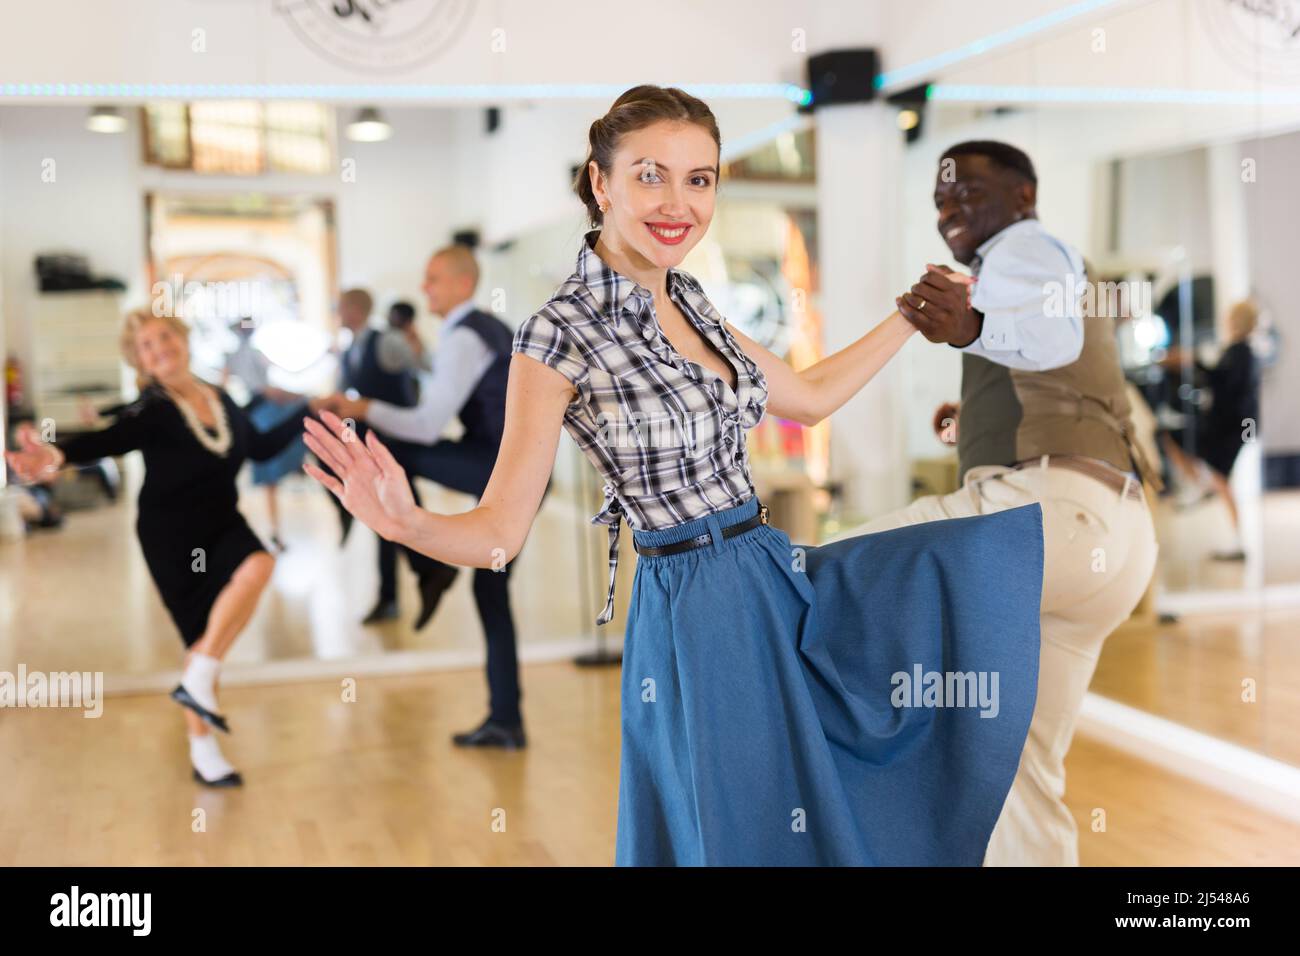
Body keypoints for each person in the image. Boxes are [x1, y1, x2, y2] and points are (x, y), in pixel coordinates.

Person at [302, 86, 1044, 866]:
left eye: (701, 179)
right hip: (693, 603)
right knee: (736, 830)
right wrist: (405, 523)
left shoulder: (691, 298)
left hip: (767, 571)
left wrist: (908, 316)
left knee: (949, 591)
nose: (678, 203)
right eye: (651, 175)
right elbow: (499, 532)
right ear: (602, 183)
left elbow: (812, 397)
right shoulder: (557, 334)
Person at [833, 140, 1161, 867]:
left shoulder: (1022, 248)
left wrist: (976, 329)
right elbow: (1055, 356)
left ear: (1022, 194)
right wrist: (974, 412)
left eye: (968, 193)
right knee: (1022, 774)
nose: (950, 207)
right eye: (941, 200)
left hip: (1053, 518)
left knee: (826, 569)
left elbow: (1044, 329)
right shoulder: (1030, 266)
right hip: (1110, 540)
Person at [5, 309, 312, 788]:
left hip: (223, 522)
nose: (159, 348)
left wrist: (312, 410)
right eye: (146, 346)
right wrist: (55, 454)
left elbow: (263, 448)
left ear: (183, 338)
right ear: (139, 360)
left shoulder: (222, 397)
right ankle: (203, 748)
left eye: (164, 337)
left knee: (259, 565)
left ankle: (197, 681)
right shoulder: (151, 409)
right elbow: (108, 439)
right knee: (201, 638)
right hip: (173, 535)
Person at [319, 246, 525, 749]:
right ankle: (506, 720)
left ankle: (428, 567)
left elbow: (429, 425)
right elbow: (457, 387)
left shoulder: (464, 335)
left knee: (390, 452)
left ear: (461, 283)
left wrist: (359, 405)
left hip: (494, 467)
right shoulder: (486, 329)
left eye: (433, 278)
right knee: (491, 592)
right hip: (510, 466)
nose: (424, 286)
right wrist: (422, 359)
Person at [330, 288, 457, 627]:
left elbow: (429, 366)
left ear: (354, 310)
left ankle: (427, 574)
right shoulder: (351, 347)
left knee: (396, 517)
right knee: (387, 521)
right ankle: (413, 583)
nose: (335, 311)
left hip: (397, 444)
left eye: (339, 306)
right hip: (374, 444)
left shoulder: (386, 342)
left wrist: (417, 345)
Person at [1159, 299, 1261, 560]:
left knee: (1220, 479)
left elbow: (1223, 383)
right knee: (1222, 481)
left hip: (1231, 427)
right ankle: (1206, 487)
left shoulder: (1241, 352)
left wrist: (1191, 361)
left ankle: (1203, 486)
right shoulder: (1241, 352)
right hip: (1233, 426)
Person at [223, 318, 307, 552]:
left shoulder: (235, 355)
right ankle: (272, 532)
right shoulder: (243, 355)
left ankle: (272, 532)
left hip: (257, 411)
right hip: (262, 411)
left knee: (268, 478)